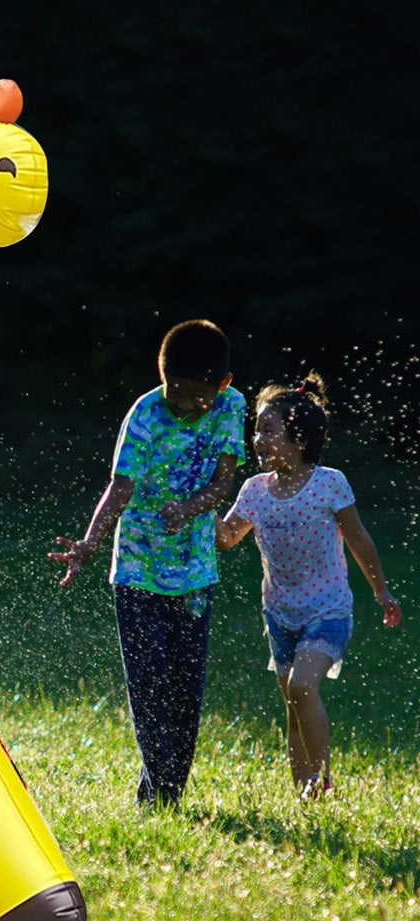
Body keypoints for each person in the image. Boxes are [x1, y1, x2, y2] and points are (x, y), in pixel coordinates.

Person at [50, 320, 245, 808]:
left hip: (195, 573)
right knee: (149, 684)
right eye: (175, 392)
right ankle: (159, 798)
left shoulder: (231, 407)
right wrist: (90, 542)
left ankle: (165, 792)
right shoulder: (144, 414)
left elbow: (224, 482)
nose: (183, 405)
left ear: (222, 385)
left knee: (185, 689)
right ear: (162, 377)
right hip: (137, 570)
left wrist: (189, 508)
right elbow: (122, 485)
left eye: (197, 396)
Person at [215, 372, 402, 799]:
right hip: (280, 614)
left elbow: (357, 537)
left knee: (302, 687)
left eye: (268, 431)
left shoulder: (329, 483)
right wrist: (204, 505)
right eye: (256, 431)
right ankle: (306, 794)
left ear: (298, 439)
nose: (257, 440)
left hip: (327, 610)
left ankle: (321, 779)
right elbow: (226, 539)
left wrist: (380, 590)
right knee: (293, 704)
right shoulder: (254, 491)